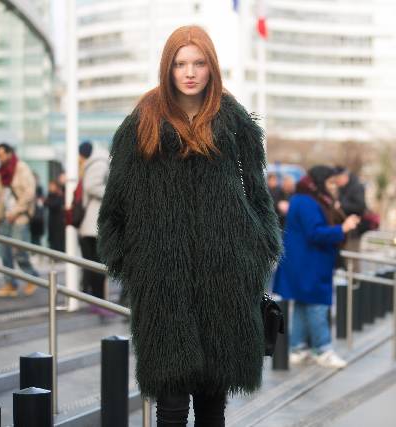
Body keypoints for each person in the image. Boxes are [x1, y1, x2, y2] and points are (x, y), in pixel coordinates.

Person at [97, 26, 281, 427]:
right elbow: (114, 209)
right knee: (172, 407)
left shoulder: (235, 124)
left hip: (226, 282)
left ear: (211, 67)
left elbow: (258, 198)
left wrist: (257, 257)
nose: (190, 72)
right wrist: (136, 270)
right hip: (164, 287)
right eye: (180, 63)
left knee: (213, 407)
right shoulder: (141, 122)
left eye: (198, 63)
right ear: (168, 67)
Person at [274, 166, 360, 369]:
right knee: (317, 305)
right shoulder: (307, 202)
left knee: (304, 304)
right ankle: (322, 349)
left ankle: (298, 347)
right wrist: (343, 228)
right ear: (319, 183)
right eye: (330, 182)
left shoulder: (306, 199)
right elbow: (315, 233)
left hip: (307, 262)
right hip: (309, 263)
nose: (334, 186)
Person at [0, 144, 39, 297]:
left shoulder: (21, 168)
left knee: (20, 251)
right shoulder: (1, 173)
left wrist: (16, 211)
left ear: (9, 153)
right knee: (4, 252)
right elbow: (1, 198)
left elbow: (29, 192)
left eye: (1, 155)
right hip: (5, 217)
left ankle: (33, 278)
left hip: (20, 216)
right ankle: (10, 283)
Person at [78, 141, 109, 306]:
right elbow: (92, 186)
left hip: (90, 224)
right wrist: (114, 194)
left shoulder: (94, 163)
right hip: (94, 225)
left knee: (92, 264)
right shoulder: (100, 163)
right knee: (96, 264)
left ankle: (95, 300)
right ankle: (98, 301)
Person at [44, 179, 65, 252]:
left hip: (59, 222)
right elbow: (46, 203)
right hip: (51, 221)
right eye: (50, 186)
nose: (50, 188)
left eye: (52, 186)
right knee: (52, 238)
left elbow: (54, 205)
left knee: (58, 239)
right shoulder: (50, 195)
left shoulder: (60, 195)